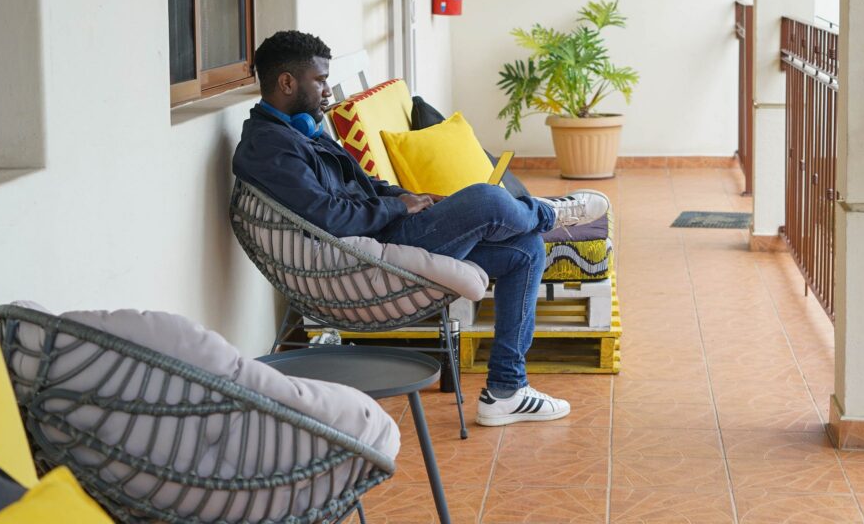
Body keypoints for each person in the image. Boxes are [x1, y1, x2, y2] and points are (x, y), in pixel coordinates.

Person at [232, 30, 609, 426]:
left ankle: (505, 390)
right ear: (287, 82)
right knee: (485, 199)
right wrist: (398, 208)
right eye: (320, 80)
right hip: (364, 255)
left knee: (526, 249)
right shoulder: (270, 147)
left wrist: (414, 198)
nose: (327, 91)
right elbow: (327, 217)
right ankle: (551, 213)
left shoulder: (302, 131)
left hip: (385, 231)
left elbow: (368, 186)